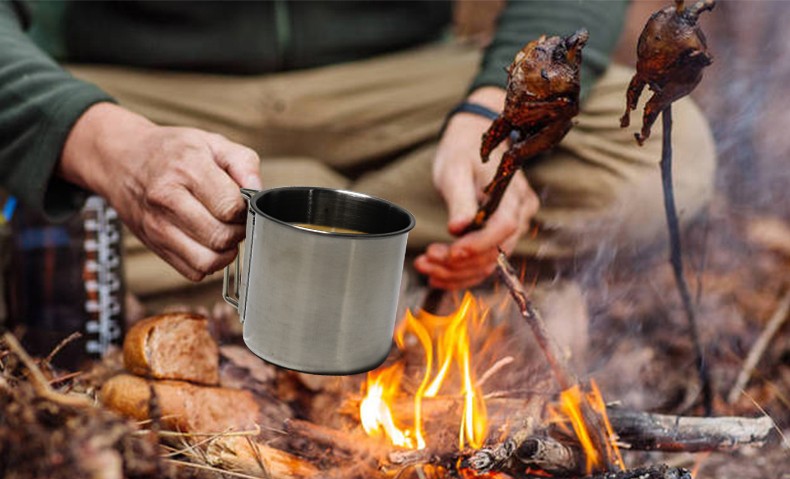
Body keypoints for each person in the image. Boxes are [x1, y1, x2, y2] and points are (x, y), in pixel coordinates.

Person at [0, 0, 715, 309]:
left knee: (661, 158)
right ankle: (376, 252)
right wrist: (106, 146)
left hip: (399, 80)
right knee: (27, 165)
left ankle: (288, 226)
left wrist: (496, 121)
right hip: (133, 93)